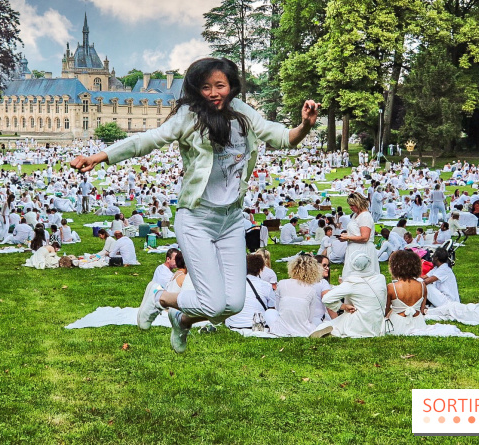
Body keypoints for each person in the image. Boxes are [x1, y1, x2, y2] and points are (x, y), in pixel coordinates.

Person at [74, 57, 319, 352]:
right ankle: (158, 297)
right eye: (206, 87)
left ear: (231, 87)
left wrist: (304, 125)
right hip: (197, 219)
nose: (214, 92)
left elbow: (281, 137)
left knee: (232, 305)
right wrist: (99, 157)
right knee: (213, 303)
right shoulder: (189, 116)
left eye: (220, 85)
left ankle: (181, 320)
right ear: (196, 90)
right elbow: (147, 140)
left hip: (231, 220)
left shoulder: (242, 113)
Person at [312, 252, 388, 338]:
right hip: (378, 324)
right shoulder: (381, 278)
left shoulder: (351, 282)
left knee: (329, 325)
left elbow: (326, 299)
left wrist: (342, 306)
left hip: (359, 323)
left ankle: (329, 331)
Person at [266, 253, 324, 337]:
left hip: (281, 328)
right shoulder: (311, 290)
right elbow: (310, 318)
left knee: (269, 312)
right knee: (317, 320)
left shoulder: (282, 283)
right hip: (304, 329)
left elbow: (278, 308)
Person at [225, 254, 276, 330]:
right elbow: (271, 309)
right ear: (261, 269)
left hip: (234, 324)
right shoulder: (266, 286)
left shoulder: (232, 284)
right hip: (258, 325)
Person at [385, 250, 427, 335]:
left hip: (396, 325)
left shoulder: (391, 287)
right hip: (419, 324)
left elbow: (385, 311)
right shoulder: (422, 286)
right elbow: (422, 311)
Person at [339, 192, 378, 280]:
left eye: (352, 205)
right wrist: (345, 236)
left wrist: (348, 237)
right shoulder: (356, 215)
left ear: (358, 203)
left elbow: (365, 237)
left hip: (362, 249)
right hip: (354, 248)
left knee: (361, 276)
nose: (350, 207)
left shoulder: (365, 216)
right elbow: (356, 232)